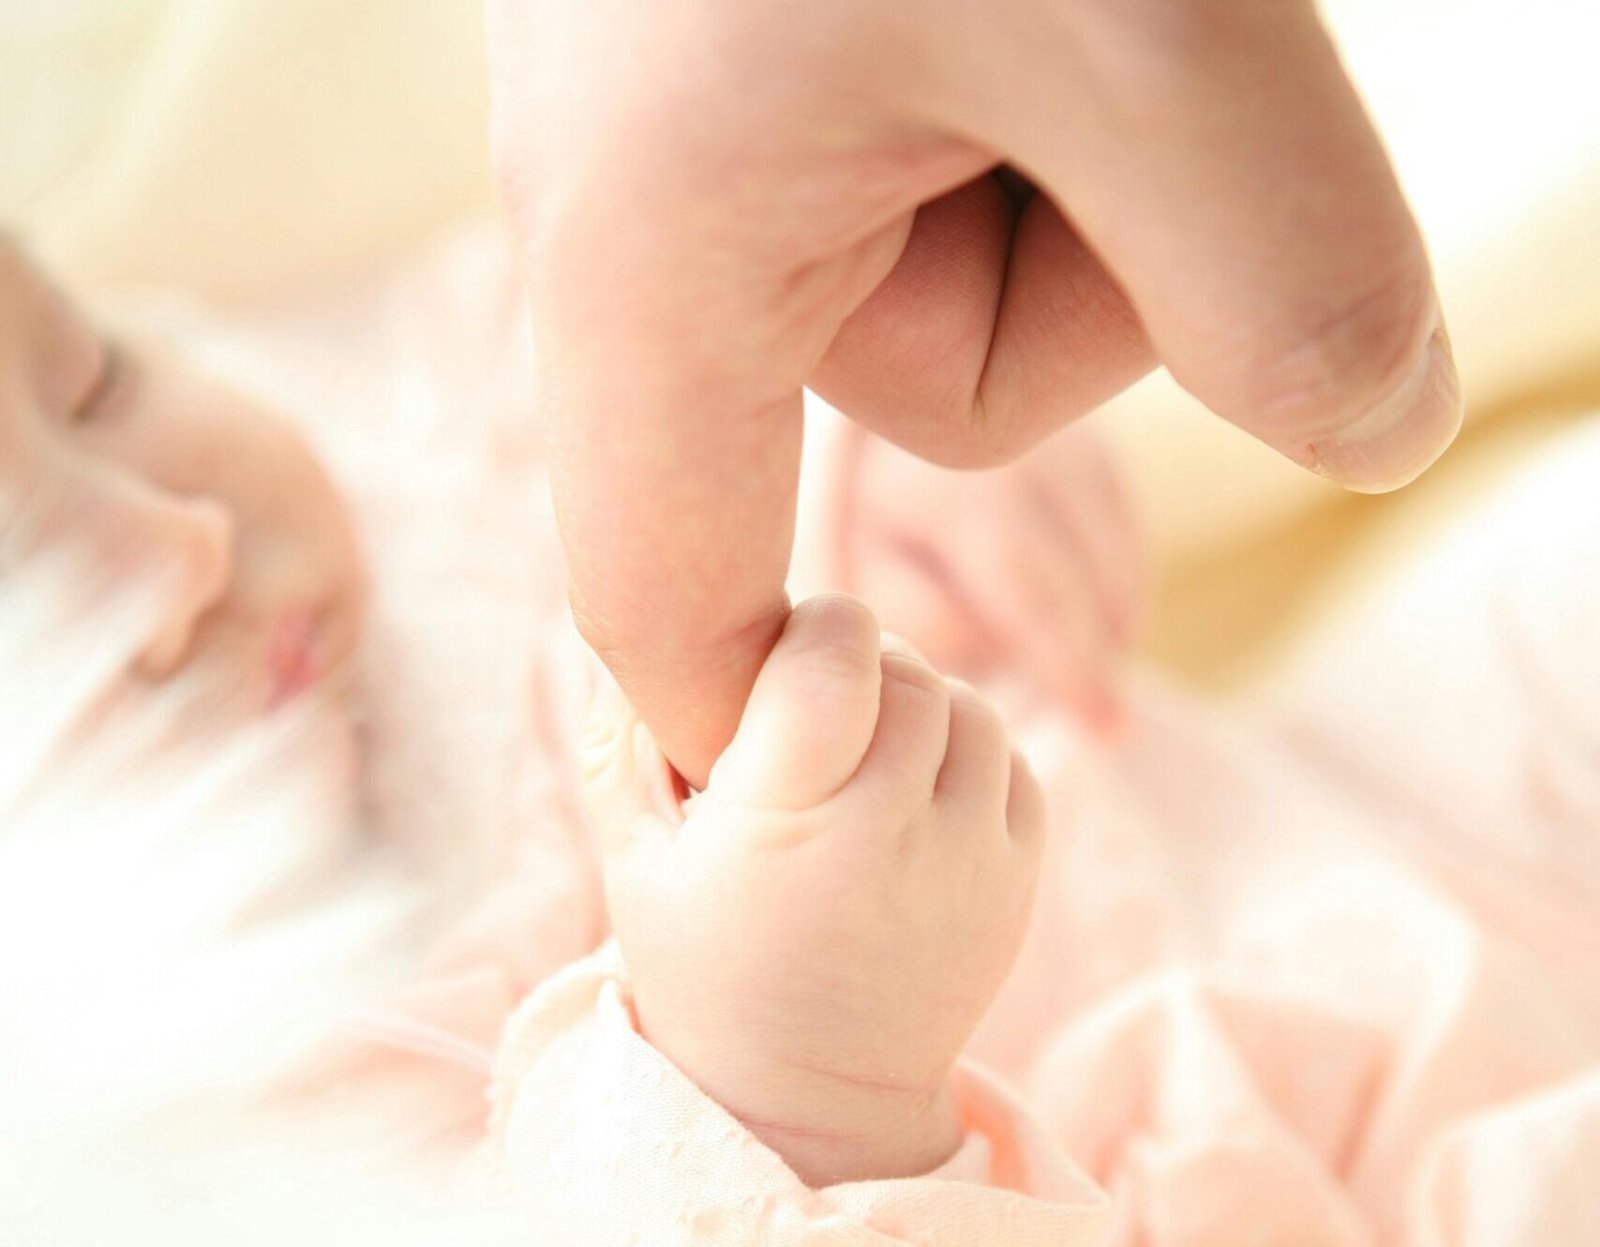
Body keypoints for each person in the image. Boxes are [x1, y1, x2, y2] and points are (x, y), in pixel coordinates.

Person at [486, 0, 1466, 791]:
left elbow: (717, 273)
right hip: (1107, 984)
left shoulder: (390, 356)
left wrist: (869, 456)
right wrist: (738, 1032)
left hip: (1262, 768)